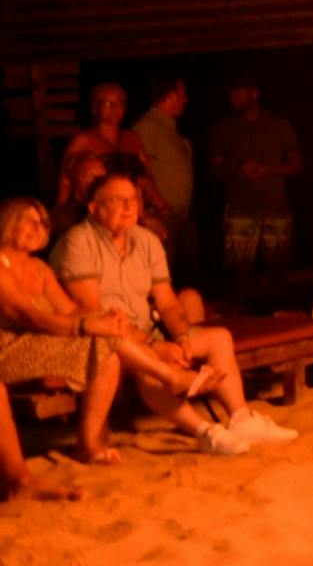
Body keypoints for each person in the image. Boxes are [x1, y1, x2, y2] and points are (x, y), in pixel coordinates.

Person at [53, 175, 296, 454]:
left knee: (218, 338)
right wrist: (155, 347)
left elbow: (167, 303)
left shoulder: (145, 240)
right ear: (94, 209)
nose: (129, 206)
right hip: (107, 339)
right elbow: (94, 314)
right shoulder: (78, 242)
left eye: (133, 199)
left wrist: (181, 337)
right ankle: (204, 431)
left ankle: (241, 418)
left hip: (145, 329)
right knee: (150, 368)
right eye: (117, 200)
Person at [0, 198, 127, 466]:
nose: (38, 228)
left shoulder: (39, 269)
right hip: (9, 349)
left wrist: (102, 317)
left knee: (109, 353)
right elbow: (29, 316)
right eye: (30, 221)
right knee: (103, 342)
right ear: (8, 222)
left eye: (43, 223)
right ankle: (168, 374)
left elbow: (69, 310)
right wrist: (84, 326)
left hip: (43, 343)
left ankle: (87, 444)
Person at [208, 73, 303, 296]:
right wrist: (238, 168)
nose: (233, 96)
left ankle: (279, 318)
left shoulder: (279, 124)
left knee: (278, 268)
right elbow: (214, 168)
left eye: (238, 91)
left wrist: (268, 170)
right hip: (240, 209)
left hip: (275, 207)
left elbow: (297, 165)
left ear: (254, 93)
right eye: (231, 92)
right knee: (240, 271)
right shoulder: (223, 128)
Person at [58, 83, 170, 237]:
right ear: (95, 108)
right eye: (108, 103)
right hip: (99, 215)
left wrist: (162, 208)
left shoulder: (132, 139)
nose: (115, 108)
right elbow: (65, 181)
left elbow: (147, 178)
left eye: (120, 103)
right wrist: (60, 212)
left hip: (135, 211)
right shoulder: (83, 140)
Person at [132, 77, 196, 267]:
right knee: (161, 267)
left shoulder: (169, 128)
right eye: (182, 95)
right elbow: (140, 172)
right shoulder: (147, 127)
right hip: (161, 213)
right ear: (169, 96)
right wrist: (160, 205)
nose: (186, 100)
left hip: (178, 213)